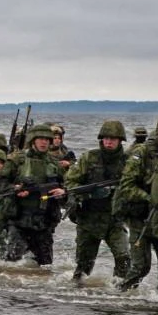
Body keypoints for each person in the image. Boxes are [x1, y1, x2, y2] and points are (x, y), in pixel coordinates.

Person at [112, 114, 158, 293]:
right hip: (141, 219)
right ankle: (120, 296)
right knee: (140, 267)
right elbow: (126, 186)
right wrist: (149, 197)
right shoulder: (142, 153)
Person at [64, 120, 130, 285]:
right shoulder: (89, 157)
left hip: (114, 218)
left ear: (120, 140)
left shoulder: (128, 161)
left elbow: (134, 184)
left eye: (113, 139)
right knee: (84, 265)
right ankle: (76, 292)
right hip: (89, 218)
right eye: (106, 138)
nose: (109, 142)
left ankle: (119, 289)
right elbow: (71, 182)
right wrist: (85, 195)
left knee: (124, 257)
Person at [3, 124, 66, 264]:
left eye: (47, 139)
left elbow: (66, 186)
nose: (44, 142)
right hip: (19, 220)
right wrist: (15, 188)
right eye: (40, 139)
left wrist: (63, 192)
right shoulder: (16, 160)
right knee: (12, 264)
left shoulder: (54, 164)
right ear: (33, 140)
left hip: (43, 222)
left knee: (45, 266)